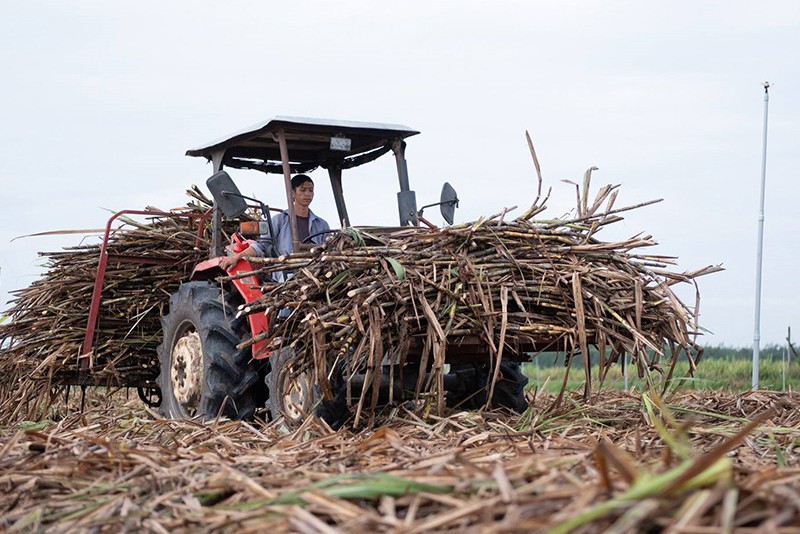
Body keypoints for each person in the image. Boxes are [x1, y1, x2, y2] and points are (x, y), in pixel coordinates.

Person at [220, 174, 330, 271]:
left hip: (316, 270)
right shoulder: (279, 221)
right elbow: (261, 246)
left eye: (311, 190)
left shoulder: (321, 225)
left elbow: (329, 249)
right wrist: (237, 256)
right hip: (286, 271)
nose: (307, 194)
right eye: (303, 190)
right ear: (292, 193)